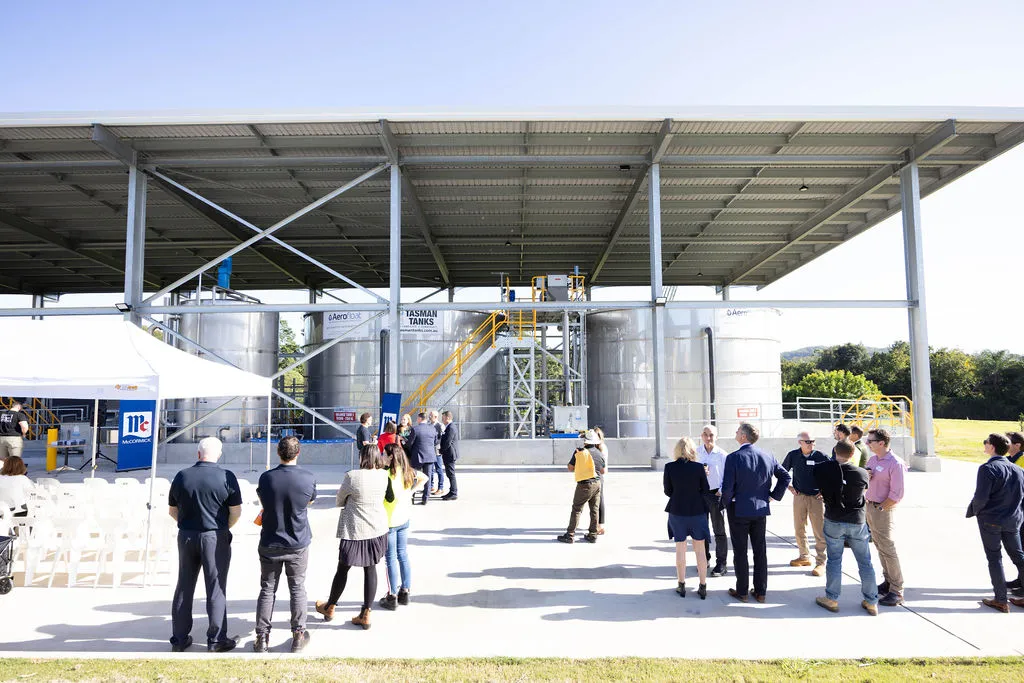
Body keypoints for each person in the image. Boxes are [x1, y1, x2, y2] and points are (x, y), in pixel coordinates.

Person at [167, 437, 242, 653]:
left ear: (198, 454)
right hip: (214, 536)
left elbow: (172, 510)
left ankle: (179, 639)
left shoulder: (182, 476)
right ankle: (216, 639)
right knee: (216, 588)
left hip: (187, 535)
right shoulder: (226, 476)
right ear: (218, 454)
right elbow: (236, 511)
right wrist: (222, 528)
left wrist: (189, 525)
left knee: (184, 585)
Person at [253, 436, 317, 653]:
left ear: (278, 453)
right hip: (297, 541)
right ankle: (298, 634)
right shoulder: (308, 478)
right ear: (298, 453)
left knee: (267, 588)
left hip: (271, 540)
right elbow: (309, 501)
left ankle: (262, 637)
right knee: (297, 588)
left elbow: (264, 501)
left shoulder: (266, 478)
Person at [316, 445, 389, 629]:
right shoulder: (383, 475)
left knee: (343, 568)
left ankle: (330, 606)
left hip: (355, 530)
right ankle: (366, 613)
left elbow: (339, 500)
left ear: (362, 457)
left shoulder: (352, 476)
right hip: (377, 528)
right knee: (370, 568)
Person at [721, 422, 791, 603]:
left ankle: (742, 591)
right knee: (760, 551)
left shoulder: (733, 457)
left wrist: (723, 504)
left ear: (743, 436)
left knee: (740, 551)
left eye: (737, 431)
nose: (735, 433)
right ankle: (761, 592)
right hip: (760, 509)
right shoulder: (767, 455)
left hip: (739, 510)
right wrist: (773, 496)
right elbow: (785, 476)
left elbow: (728, 488)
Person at [813, 440, 878, 616]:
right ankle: (872, 601)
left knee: (834, 560)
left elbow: (818, 472)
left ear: (835, 451)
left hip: (833, 519)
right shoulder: (862, 473)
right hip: (856, 520)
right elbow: (864, 489)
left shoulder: (823, 469)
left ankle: (832, 598)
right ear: (853, 454)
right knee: (865, 562)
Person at [967, 433, 1024, 612]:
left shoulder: (987, 468)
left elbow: (981, 497)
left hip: (991, 520)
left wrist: (974, 511)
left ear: (992, 447)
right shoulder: (1018, 469)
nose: (984, 445)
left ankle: (1001, 599)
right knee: (1018, 557)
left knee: (994, 558)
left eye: (986, 443)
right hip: (1013, 520)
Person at [378, 442, 427, 610]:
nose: (382, 457)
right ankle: (405, 591)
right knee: (403, 555)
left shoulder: (385, 475)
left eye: (384, 454)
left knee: (390, 558)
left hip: (389, 522)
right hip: (404, 519)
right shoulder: (406, 471)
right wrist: (411, 492)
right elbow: (424, 478)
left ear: (391, 457)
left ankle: (392, 595)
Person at [864, 427, 907, 607]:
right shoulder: (873, 460)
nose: (867, 444)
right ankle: (888, 581)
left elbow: (897, 493)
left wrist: (881, 508)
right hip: (870, 507)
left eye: (870, 441)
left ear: (881, 443)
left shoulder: (895, 463)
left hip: (883, 510)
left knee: (888, 548)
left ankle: (897, 590)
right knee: (880, 546)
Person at [664, 437, 710, 599]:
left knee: (680, 549)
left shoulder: (669, 467)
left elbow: (668, 491)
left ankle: (681, 584)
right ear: (692, 450)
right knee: (700, 550)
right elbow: (705, 490)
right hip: (697, 511)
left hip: (677, 511)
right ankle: (703, 585)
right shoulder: (699, 468)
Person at [782, 431, 830, 577]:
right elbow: (781, 472)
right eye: (808, 441)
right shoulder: (793, 455)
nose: (811, 444)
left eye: (813, 441)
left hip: (816, 499)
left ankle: (821, 562)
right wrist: (789, 487)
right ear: (800, 443)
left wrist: (825, 490)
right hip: (799, 497)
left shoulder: (821, 457)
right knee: (799, 528)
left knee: (819, 531)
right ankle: (804, 556)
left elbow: (834, 474)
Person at [556, 430, 606, 544]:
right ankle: (593, 535)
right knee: (594, 509)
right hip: (597, 484)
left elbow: (570, 467)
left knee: (577, 509)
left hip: (585, 484)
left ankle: (570, 535)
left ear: (585, 441)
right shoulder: (599, 453)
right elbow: (602, 470)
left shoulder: (579, 452)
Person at [696, 424, 729, 576]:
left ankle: (721, 563)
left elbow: (728, 477)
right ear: (701, 436)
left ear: (716, 437)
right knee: (701, 531)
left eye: (711, 435)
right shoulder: (696, 453)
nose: (708, 438)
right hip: (700, 495)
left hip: (716, 496)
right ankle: (704, 559)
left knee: (719, 531)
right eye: (705, 434)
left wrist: (721, 491)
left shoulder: (722, 455)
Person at [404, 412, 439, 505]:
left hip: (417, 456)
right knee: (427, 477)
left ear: (419, 419)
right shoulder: (432, 428)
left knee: (414, 477)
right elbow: (435, 442)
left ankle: (412, 497)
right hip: (430, 457)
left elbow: (410, 443)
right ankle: (425, 499)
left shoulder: (415, 429)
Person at [439, 410, 460, 501]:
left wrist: (441, 450)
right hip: (448, 454)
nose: (442, 419)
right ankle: (452, 491)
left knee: (451, 474)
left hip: (450, 454)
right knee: (449, 474)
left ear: (447, 417)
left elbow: (447, 442)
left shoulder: (451, 427)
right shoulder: (448, 427)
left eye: (443, 417)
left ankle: (454, 493)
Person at [594, 426, 609, 534]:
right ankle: (599, 524)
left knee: (597, 501)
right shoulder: (603, 446)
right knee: (599, 499)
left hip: (596, 475)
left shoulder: (599, 448)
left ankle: (599, 525)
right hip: (600, 475)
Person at [428, 410, 444, 495]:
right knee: (430, 469)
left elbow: (442, 438)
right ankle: (431, 486)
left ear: (436, 417)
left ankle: (440, 488)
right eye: (430, 416)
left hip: (437, 450)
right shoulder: (429, 425)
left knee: (439, 469)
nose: (429, 417)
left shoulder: (440, 426)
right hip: (430, 450)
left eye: (431, 416)